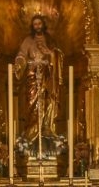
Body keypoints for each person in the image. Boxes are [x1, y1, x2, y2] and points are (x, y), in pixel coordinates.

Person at [13, 14, 63, 149]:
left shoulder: (51, 40)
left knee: (48, 101)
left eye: (39, 24)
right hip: (32, 76)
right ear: (32, 26)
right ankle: (32, 131)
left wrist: (50, 53)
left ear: (43, 25)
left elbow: (57, 55)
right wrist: (19, 64)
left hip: (47, 77)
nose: (37, 26)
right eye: (35, 24)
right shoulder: (28, 41)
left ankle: (46, 128)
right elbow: (21, 55)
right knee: (32, 102)